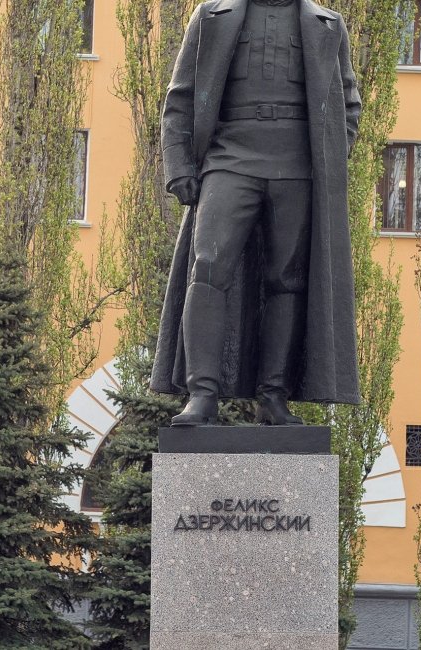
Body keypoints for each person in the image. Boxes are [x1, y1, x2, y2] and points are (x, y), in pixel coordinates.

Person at [150, 0, 362, 426]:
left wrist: (332, 159)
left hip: (298, 165)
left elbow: (348, 104)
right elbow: (181, 98)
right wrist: (179, 168)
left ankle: (273, 395)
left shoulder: (327, 24)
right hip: (230, 157)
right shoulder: (212, 16)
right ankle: (202, 395)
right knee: (207, 267)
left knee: (287, 281)